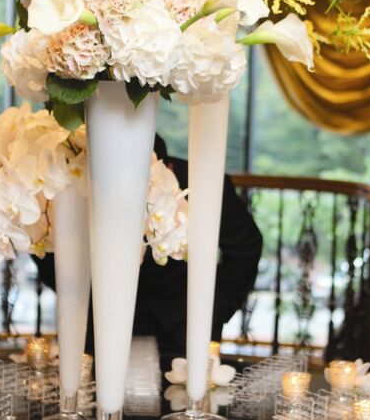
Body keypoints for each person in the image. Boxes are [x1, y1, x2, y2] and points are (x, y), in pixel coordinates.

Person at [34, 134, 263, 358]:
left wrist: (216, 307)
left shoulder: (203, 182)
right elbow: (47, 243)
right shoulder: (80, 183)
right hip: (101, 322)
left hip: (184, 324)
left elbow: (245, 247)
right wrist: (79, 294)